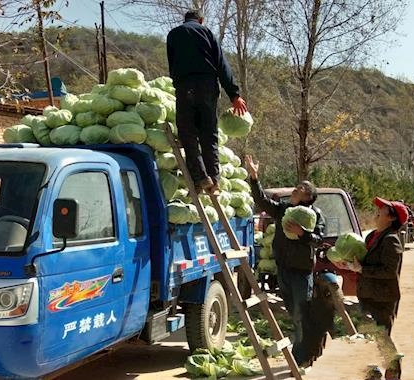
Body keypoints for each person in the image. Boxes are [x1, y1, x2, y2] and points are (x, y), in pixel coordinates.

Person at [244, 154, 330, 369]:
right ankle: (309, 348)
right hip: (283, 271)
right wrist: (254, 178)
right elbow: (261, 201)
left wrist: (303, 233)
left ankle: (301, 358)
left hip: (302, 273)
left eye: (300, 187)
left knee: (302, 315)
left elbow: (320, 241)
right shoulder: (283, 210)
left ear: (308, 196)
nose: (295, 189)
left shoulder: (314, 215)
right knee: (294, 314)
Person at [166, 9, 248, 194]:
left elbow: (172, 66)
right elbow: (221, 64)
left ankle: (201, 178)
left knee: (188, 134)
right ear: (201, 20)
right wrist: (234, 94)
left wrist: (180, 83)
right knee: (208, 134)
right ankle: (215, 179)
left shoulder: (174, 34)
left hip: (185, 86)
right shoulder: (207, 33)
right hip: (207, 86)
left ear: (185, 20)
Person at [336, 197, 407, 379]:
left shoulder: (391, 241)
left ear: (391, 218)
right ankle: (374, 373)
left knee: (381, 336)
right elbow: (364, 265)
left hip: (382, 298)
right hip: (367, 294)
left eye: (383, 209)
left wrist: (362, 269)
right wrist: (351, 266)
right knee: (371, 337)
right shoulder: (372, 236)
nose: (378, 210)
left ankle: (393, 373)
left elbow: (389, 272)